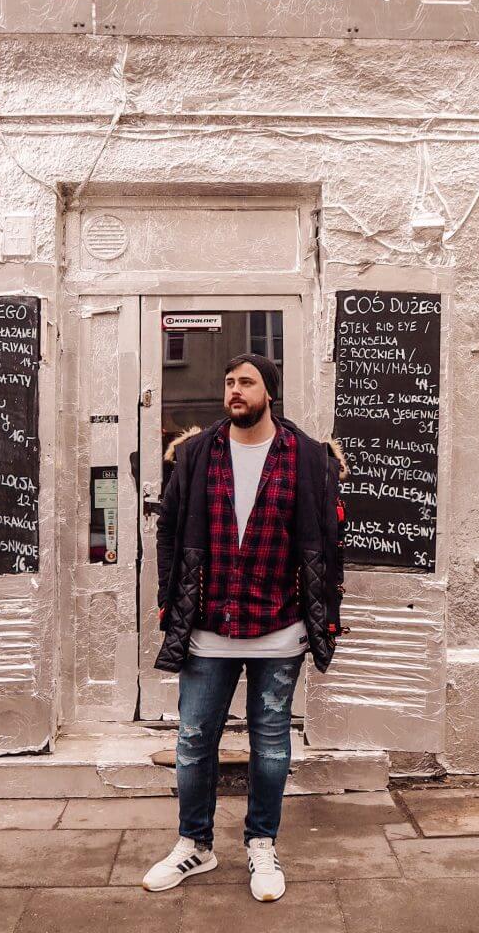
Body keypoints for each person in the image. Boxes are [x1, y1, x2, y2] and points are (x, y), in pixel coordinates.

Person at [141, 352, 348, 902]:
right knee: (193, 739)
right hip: (207, 628)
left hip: (279, 627)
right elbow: (169, 533)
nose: (235, 390)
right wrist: (169, 598)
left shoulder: (307, 457)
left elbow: (327, 542)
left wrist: (324, 612)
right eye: (229, 382)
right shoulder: (194, 454)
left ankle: (262, 843)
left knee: (272, 742)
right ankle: (195, 844)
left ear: (268, 393)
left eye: (247, 382)